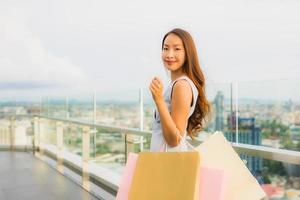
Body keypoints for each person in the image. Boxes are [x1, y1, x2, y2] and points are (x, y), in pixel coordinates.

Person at [149, 28, 211, 152]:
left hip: (169, 163)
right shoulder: (176, 84)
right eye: (166, 48)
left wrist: (159, 100)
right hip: (164, 161)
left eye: (177, 49)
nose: (169, 54)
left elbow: (174, 140)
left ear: (188, 53)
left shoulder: (181, 85)